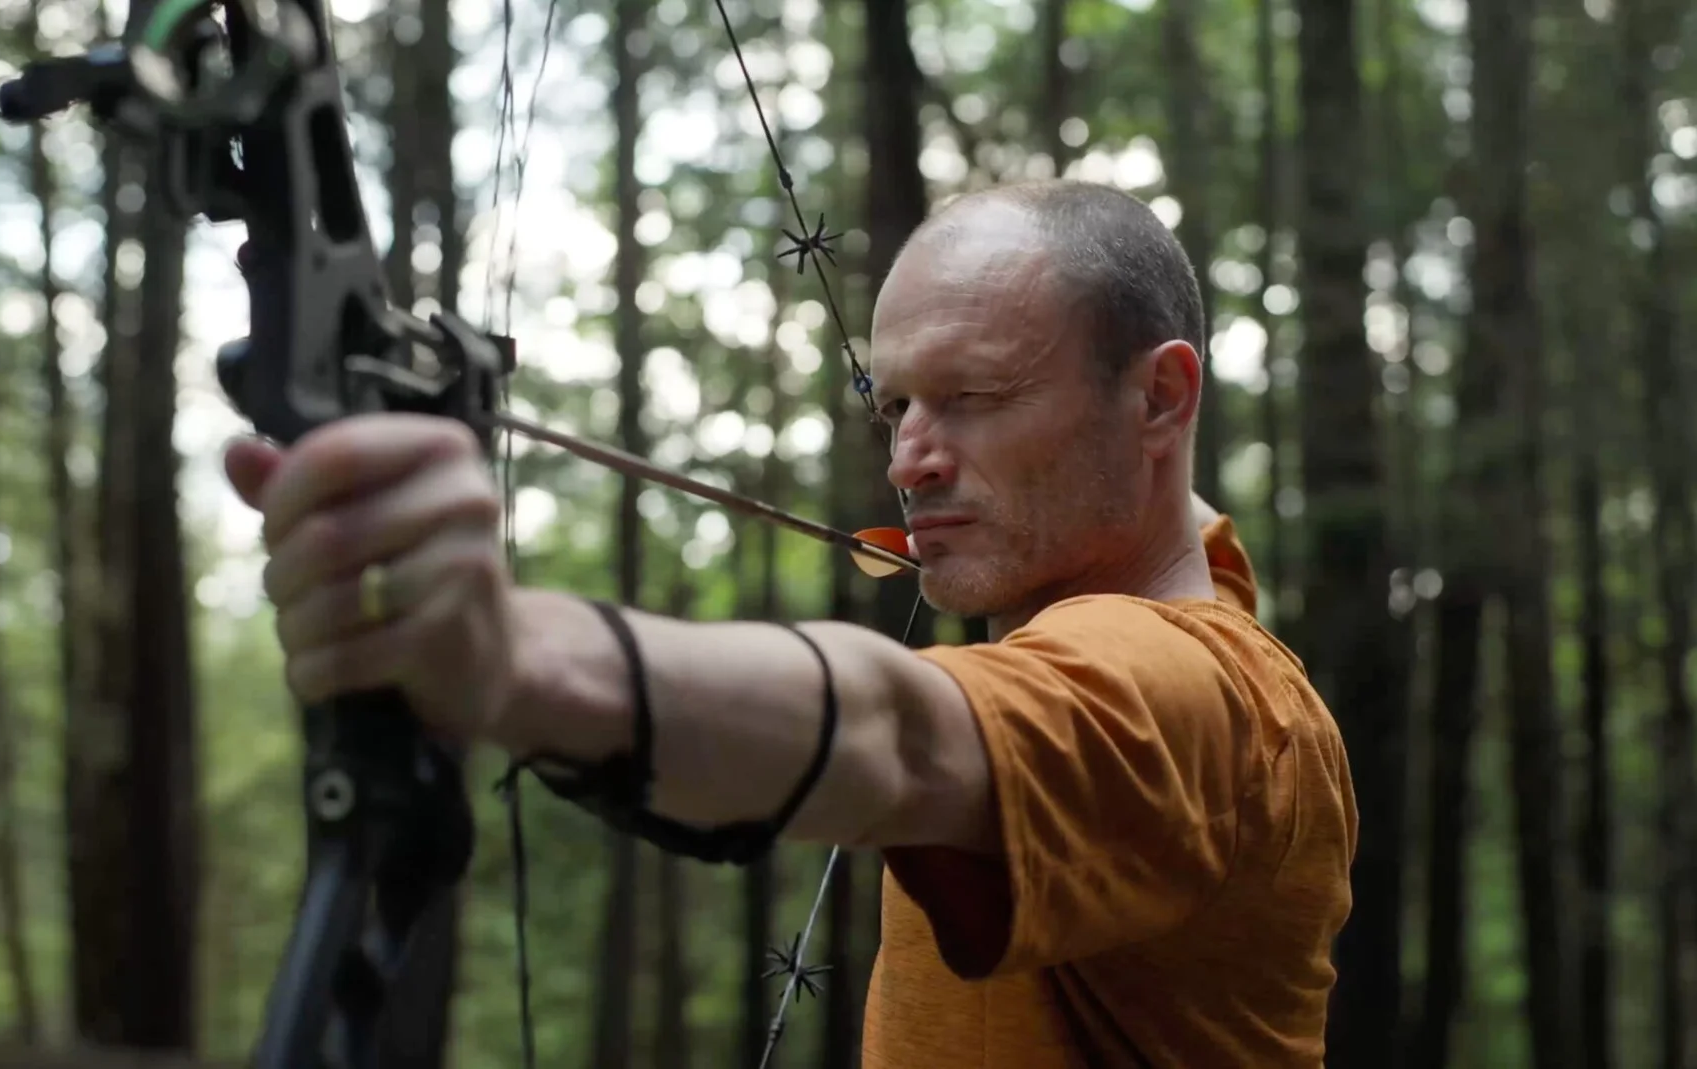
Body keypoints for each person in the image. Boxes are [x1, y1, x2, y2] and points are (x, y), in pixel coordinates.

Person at [223, 179, 1356, 1066]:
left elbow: (895, 732)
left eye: (972, 396)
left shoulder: (1204, 695)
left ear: (1159, 395)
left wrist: (517, 659)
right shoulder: (1200, 613)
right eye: (896, 404)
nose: (909, 458)